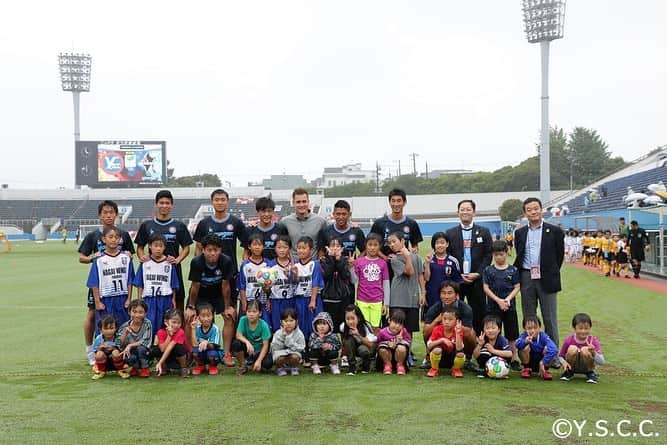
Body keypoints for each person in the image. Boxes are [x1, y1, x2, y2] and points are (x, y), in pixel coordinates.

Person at [78, 200, 135, 365]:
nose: (108, 215)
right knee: (93, 314)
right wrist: (91, 259)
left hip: (118, 283)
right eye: (105, 212)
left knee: (121, 316)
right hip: (100, 283)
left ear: (116, 215)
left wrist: (125, 255)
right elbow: (81, 257)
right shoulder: (93, 235)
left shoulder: (122, 234)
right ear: (100, 215)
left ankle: (120, 351)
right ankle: (91, 349)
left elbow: (130, 254)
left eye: (111, 212)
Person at [513, 197, 564, 367]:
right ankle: (530, 357)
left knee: (550, 317)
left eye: (536, 208)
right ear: (525, 213)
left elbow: (559, 256)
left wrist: (550, 271)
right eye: (529, 209)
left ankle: (553, 357)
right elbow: (519, 254)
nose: (533, 211)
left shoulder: (554, 231)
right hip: (526, 276)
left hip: (547, 277)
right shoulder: (520, 233)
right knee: (529, 317)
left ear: (542, 210)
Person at [135, 190, 193, 312]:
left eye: (167, 203)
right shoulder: (147, 225)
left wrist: (177, 260)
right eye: (161, 203)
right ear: (156, 204)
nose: (164, 206)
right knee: (149, 303)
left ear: (171, 205)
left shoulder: (179, 226)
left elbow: (186, 248)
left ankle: (178, 330)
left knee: (177, 304)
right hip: (152, 273)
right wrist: (142, 257)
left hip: (172, 271)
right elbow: (139, 247)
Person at [445, 199, 493, 337]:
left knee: (479, 312)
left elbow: (488, 255)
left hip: (476, 280)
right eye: (462, 209)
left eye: (468, 209)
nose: (465, 212)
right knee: (454, 312)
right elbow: (448, 256)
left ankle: (480, 342)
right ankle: (455, 342)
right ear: (458, 212)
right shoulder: (450, 233)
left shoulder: (484, 231)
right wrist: (457, 275)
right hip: (457, 280)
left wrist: (478, 273)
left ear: (474, 212)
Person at [186, 233, 235, 366]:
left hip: (218, 293)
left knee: (229, 317)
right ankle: (192, 353)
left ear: (220, 250)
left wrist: (227, 307)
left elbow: (226, 286)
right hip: (201, 293)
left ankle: (226, 354)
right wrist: (191, 307)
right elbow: (195, 286)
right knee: (189, 318)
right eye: (209, 250)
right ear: (203, 250)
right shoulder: (197, 262)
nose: (212, 253)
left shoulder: (226, 261)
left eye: (216, 250)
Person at [193, 189, 248, 305]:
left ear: (227, 202)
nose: (220, 202)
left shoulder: (236, 222)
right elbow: (198, 247)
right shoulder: (204, 224)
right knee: (206, 312)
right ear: (212, 202)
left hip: (230, 273)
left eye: (223, 200)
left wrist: (244, 263)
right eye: (217, 200)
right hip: (208, 275)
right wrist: (199, 266)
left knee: (230, 312)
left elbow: (247, 245)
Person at [86, 226, 134, 334]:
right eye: (110, 237)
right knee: (104, 330)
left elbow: (130, 281)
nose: (113, 240)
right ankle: (101, 350)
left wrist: (129, 299)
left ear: (120, 240)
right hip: (106, 300)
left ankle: (123, 350)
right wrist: (97, 302)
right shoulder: (99, 260)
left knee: (123, 329)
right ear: (104, 239)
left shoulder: (126, 258)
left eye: (116, 237)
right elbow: (94, 283)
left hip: (122, 298)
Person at [482, 240, 521, 370]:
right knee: (492, 331)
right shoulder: (488, 270)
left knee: (512, 334)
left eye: (502, 254)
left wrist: (507, 300)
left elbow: (517, 287)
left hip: (509, 306)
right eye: (496, 254)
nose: (499, 257)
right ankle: (490, 354)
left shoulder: (513, 270)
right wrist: (498, 300)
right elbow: (486, 288)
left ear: (506, 253)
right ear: (493, 255)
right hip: (493, 306)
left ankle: (513, 358)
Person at [422, 281, 477, 369]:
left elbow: (467, 331)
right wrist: (437, 320)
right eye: (443, 293)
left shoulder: (465, 308)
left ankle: (468, 359)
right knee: (427, 331)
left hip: (458, 337)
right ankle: (429, 357)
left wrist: (453, 325)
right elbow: (425, 331)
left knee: (472, 334)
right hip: (439, 337)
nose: (446, 297)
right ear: (440, 295)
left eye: (450, 293)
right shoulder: (435, 308)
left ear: (457, 295)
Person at [133, 233, 180, 337]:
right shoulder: (145, 263)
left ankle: (162, 350)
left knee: (165, 328)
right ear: (149, 246)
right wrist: (139, 300)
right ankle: (148, 350)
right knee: (148, 328)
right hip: (149, 300)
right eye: (155, 245)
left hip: (165, 299)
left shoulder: (169, 264)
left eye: (161, 246)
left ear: (164, 247)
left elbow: (173, 284)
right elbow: (140, 283)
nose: (158, 249)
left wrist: (173, 300)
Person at [386, 232, 424, 352]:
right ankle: (395, 351)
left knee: (409, 329)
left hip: (412, 298)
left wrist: (423, 292)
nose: (391, 245)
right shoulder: (394, 260)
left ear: (402, 241)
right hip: (398, 298)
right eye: (390, 243)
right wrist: (407, 257)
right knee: (395, 327)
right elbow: (410, 272)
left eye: (394, 241)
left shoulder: (416, 257)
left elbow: (420, 275)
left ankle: (407, 352)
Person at [352, 233, 390, 332]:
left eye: (375, 245)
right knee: (363, 327)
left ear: (380, 246)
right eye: (370, 245)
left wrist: (386, 303)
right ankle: (364, 347)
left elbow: (386, 283)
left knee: (375, 328)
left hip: (377, 301)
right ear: (366, 245)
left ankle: (375, 347)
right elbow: (353, 280)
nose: (372, 248)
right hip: (362, 300)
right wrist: (351, 267)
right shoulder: (359, 262)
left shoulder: (383, 263)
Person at [369, 188, 423, 258]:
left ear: (404, 202)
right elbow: (371, 246)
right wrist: (385, 258)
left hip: (403, 265)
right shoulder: (379, 223)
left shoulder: (412, 223)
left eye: (399, 201)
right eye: (393, 201)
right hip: (383, 266)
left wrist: (413, 251)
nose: (396, 204)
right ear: (389, 202)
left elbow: (415, 246)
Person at [320, 237, 356, 334]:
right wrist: (331, 258)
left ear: (342, 248)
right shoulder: (323, 261)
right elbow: (327, 275)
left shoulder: (345, 260)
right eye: (332, 246)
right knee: (330, 324)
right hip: (328, 297)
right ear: (327, 248)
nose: (335, 248)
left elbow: (345, 275)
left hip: (343, 297)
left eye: (338, 246)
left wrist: (339, 260)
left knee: (343, 323)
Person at [237, 234, 273, 327]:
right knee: (247, 327)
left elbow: (271, 285)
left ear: (263, 247)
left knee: (264, 326)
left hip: (263, 301)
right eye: (254, 245)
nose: (257, 247)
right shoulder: (245, 265)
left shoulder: (268, 264)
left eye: (259, 245)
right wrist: (244, 303)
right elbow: (242, 285)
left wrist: (269, 299)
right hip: (249, 300)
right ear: (249, 246)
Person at [559, 313, 605, 384]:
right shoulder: (569, 339)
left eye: (586, 328)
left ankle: (590, 373)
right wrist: (564, 362)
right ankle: (569, 372)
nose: (583, 331)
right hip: (572, 366)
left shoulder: (593, 341)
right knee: (572, 348)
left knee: (585, 349)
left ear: (590, 328)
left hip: (587, 367)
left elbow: (602, 362)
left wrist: (593, 352)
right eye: (580, 328)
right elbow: (560, 356)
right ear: (574, 328)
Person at [293, 236, 324, 340]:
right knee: (301, 323)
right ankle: (302, 346)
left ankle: (314, 346)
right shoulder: (295, 265)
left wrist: (313, 300)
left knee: (313, 323)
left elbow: (315, 283)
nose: (301, 250)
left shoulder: (315, 264)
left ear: (311, 250)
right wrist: (295, 275)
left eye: (304, 248)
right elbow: (294, 283)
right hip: (299, 299)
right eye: (299, 248)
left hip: (312, 298)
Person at [281, 188, 327, 258]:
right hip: (293, 265)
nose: (301, 205)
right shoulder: (285, 222)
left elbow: (323, 246)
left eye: (304, 201)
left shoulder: (320, 221)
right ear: (293, 203)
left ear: (308, 202)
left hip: (313, 264)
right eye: (298, 202)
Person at [423, 231, 463, 312]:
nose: (440, 245)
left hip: (448, 299)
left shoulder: (453, 261)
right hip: (431, 297)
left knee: (447, 321)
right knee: (430, 322)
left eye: (442, 242)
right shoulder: (429, 260)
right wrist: (427, 264)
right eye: (437, 243)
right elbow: (426, 279)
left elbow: (457, 281)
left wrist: (456, 296)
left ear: (447, 244)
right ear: (434, 245)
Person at [232, 300, 272, 375]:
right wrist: (247, 342)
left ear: (260, 313)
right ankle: (243, 365)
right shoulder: (243, 320)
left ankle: (256, 362)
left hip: (259, 351)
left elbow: (265, 345)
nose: (251, 314)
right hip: (248, 349)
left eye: (254, 312)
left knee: (268, 364)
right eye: (249, 311)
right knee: (236, 344)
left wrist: (259, 361)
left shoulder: (264, 325)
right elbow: (238, 335)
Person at [267, 235, 298, 332]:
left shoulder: (295, 264)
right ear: (275, 249)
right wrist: (268, 298)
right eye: (279, 247)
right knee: (277, 327)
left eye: (285, 247)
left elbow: (296, 283)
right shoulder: (270, 265)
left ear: (289, 248)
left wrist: (291, 275)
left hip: (290, 299)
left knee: (291, 325)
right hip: (276, 300)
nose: (282, 250)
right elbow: (266, 287)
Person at [426, 307, 465, 378]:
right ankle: (434, 368)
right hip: (440, 359)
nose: (447, 322)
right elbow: (429, 346)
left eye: (450, 319)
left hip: (452, 359)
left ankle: (456, 369)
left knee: (460, 354)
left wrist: (457, 333)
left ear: (457, 321)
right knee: (437, 350)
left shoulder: (459, 331)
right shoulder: (437, 329)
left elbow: (459, 348)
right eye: (444, 319)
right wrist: (442, 340)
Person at [515, 315, 558, 381]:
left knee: (548, 349)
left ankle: (545, 370)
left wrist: (543, 362)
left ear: (539, 327)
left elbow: (554, 349)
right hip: (529, 361)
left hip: (542, 362)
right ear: (524, 328)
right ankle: (526, 369)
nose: (532, 330)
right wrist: (525, 342)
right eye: (529, 328)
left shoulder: (543, 336)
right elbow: (516, 344)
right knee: (524, 347)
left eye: (535, 328)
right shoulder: (524, 336)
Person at [245, 196, 288, 260]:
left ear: (273, 212)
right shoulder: (250, 230)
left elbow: (286, 250)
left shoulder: (281, 229)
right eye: (263, 211)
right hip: (256, 268)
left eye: (269, 211)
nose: (267, 214)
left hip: (276, 267)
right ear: (258, 213)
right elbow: (246, 252)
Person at [118, 300, 153, 378]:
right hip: (132, 351)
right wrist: (125, 334)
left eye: (140, 312)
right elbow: (120, 345)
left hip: (145, 351)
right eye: (134, 312)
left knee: (141, 349)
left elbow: (145, 341)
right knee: (126, 355)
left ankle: (145, 368)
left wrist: (130, 345)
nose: (137, 315)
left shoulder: (147, 323)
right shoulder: (124, 326)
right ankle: (135, 367)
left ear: (145, 313)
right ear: (129, 312)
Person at [340, 304, 377, 375]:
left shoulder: (365, 326)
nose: (350, 322)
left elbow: (371, 344)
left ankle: (366, 366)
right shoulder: (343, 327)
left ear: (359, 318)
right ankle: (352, 367)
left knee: (362, 349)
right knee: (347, 340)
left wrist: (358, 335)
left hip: (367, 348)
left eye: (353, 318)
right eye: (347, 319)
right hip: (354, 348)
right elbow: (344, 342)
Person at [91, 315, 130, 380]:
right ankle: (101, 371)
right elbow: (95, 352)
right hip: (104, 362)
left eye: (111, 328)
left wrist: (113, 348)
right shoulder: (98, 339)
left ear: (116, 328)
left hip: (117, 362)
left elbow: (122, 349)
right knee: (99, 354)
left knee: (116, 352)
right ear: (101, 329)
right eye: (106, 328)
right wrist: (100, 348)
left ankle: (120, 370)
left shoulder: (118, 337)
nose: (109, 331)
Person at [154, 309, 190, 378]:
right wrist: (169, 336)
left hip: (180, 357)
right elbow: (162, 349)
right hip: (168, 356)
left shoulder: (180, 332)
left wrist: (160, 362)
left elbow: (171, 346)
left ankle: (183, 368)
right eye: (173, 322)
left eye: (179, 323)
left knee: (178, 347)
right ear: (166, 322)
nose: (176, 325)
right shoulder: (160, 332)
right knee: (155, 350)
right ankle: (164, 368)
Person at [189, 302, 223, 376]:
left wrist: (206, 343)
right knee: (194, 352)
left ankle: (213, 366)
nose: (206, 319)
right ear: (198, 317)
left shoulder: (215, 329)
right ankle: (201, 366)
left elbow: (213, 346)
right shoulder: (197, 328)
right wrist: (193, 329)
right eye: (203, 316)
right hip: (202, 352)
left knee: (212, 355)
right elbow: (194, 345)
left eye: (208, 316)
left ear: (213, 316)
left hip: (213, 352)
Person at [270, 307, 306, 376]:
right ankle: (280, 368)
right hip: (280, 353)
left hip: (293, 352)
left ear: (296, 321)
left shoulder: (299, 333)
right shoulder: (278, 333)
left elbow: (302, 347)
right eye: (286, 321)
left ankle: (294, 367)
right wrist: (284, 336)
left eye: (291, 320)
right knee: (280, 358)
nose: (288, 323)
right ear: (281, 322)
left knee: (295, 357)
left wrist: (290, 341)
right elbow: (274, 347)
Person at [376, 309, 411, 375]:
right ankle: (387, 365)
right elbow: (377, 344)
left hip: (399, 356)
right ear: (389, 320)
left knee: (402, 347)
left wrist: (401, 340)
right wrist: (387, 343)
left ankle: (400, 365)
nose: (397, 326)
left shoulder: (403, 331)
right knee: (382, 349)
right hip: (387, 355)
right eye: (395, 322)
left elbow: (408, 344)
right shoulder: (382, 332)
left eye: (400, 324)